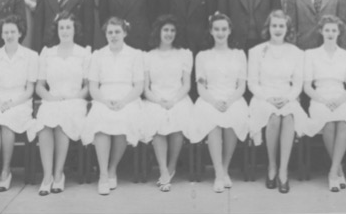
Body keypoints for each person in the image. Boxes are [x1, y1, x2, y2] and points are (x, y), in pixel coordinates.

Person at [81, 17, 145, 195]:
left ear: (124, 33)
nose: (114, 35)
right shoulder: (98, 55)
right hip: (104, 97)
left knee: (124, 120)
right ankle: (102, 175)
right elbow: (93, 87)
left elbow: (139, 86)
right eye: (110, 32)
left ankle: (112, 168)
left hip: (128, 97)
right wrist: (104, 101)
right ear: (105, 34)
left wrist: (124, 101)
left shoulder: (135, 54)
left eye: (117, 32)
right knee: (101, 120)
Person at [246, 10, 307, 194]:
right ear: (268, 28)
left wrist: (287, 98)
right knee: (273, 117)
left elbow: (297, 84)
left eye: (282, 26)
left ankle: (283, 170)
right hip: (263, 96)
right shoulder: (257, 51)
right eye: (274, 25)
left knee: (288, 116)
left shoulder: (296, 52)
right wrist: (268, 98)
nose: (278, 29)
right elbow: (252, 83)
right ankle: (272, 166)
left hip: (287, 95)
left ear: (287, 29)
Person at [187, 13, 249, 193]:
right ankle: (218, 172)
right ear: (211, 32)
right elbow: (201, 88)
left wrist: (229, 101)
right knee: (212, 120)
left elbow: (241, 86)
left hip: (233, 97)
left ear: (229, 31)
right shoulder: (203, 56)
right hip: (209, 98)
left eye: (224, 29)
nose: (220, 33)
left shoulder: (238, 55)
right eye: (216, 29)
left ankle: (225, 168)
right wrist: (214, 102)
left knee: (234, 117)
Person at [32, 11, 91, 195]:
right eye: (61, 27)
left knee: (62, 120)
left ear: (75, 30)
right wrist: (50, 98)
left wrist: (75, 97)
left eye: (68, 27)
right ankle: (47, 176)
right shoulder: (47, 53)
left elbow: (88, 86)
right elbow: (40, 86)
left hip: (75, 100)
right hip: (52, 99)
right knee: (44, 122)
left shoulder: (84, 53)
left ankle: (59, 174)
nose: (65, 31)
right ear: (56, 30)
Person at [0, 15, 38, 194]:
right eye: (6, 32)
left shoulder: (31, 56)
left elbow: (29, 90)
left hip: (21, 101)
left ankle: (6, 171)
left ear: (20, 33)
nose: (9, 35)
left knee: (7, 123)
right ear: (1, 35)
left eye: (13, 31)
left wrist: (12, 104)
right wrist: (0, 103)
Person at [302, 15, 346, 191]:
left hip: (341, 97)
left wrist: (340, 100)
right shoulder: (311, 54)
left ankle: (333, 170)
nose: (330, 33)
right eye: (326, 30)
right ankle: (338, 170)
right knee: (328, 123)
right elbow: (307, 86)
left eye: (333, 30)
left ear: (339, 32)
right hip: (319, 97)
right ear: (320, 31)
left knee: (342, 122)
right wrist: (323, 100)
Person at [142, 15, 194, 192]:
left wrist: (173, 100)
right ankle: (163, 170)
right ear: (159, 31)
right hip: (155, 99)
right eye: (166, 30)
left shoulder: (184, 54)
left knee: (178, 118)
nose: (169, 33)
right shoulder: (148, 56)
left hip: (178, 97)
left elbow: (187, 85)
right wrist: (158, 101)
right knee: (156, 120)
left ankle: (172, 166)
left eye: (172, 30)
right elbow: (146, 88)